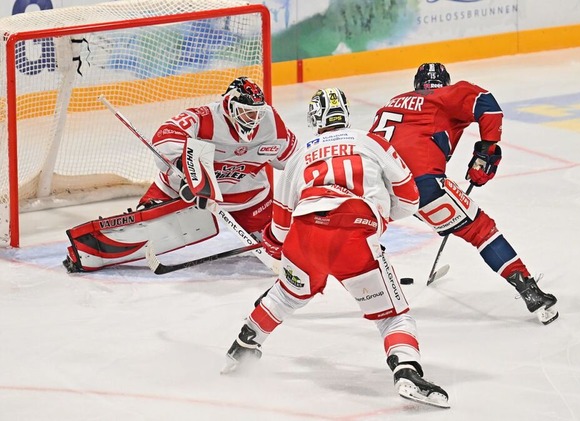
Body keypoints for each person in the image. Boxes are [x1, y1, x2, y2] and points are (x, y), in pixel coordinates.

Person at [221, 88, 450, 408]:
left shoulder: (300, 155)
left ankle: (244, 345)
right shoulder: (372, 142)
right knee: (393, 318)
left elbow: (281, 225)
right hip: (356, 233)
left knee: (287, 293)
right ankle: (407, 372)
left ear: (315, 117)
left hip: (306, 233)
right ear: (345, 112)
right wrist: (380, 217)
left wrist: (274, 245)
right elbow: (410, 199)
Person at [369, 62, 558, 325]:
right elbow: (487, 104)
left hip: (374, 185)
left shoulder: (393, 103)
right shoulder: (444, 95)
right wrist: (487, 151)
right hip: (421, 185)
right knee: (480, 229)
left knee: (361, 236)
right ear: (443, 83)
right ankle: (528, 290)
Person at [63, 76, 298, 272]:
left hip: (249, 198)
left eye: (256, 114)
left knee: (288, 247)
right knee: (143, 229)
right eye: (246, 113)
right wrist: (187, 171)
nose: (253, 120)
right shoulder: (203, 117)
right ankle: (86, 251)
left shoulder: (272, 124)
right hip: (184, 193)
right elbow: (165, 136)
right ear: (228, 104)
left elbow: (295, 161)